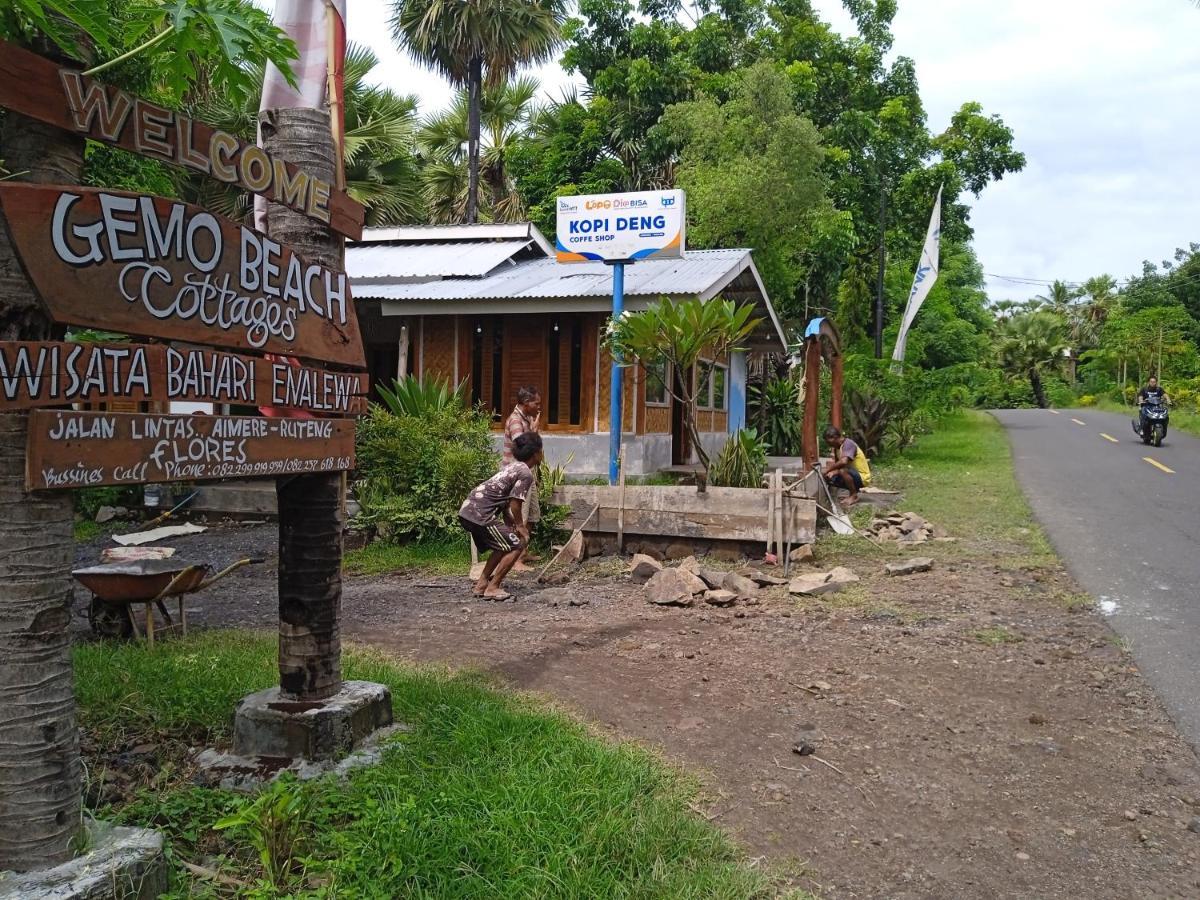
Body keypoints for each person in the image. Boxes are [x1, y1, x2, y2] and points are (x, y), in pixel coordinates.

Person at [459, 431, 544, 601]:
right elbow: (515, 502)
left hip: (468, 510)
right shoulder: (525, 473)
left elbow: (503, 500)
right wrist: (520, 526)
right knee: (517, 545)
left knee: (503, 545)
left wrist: (510, 521)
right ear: (536, 454)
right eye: (541, 450)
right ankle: (493, 587)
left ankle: (482, 585)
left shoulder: (512, 466)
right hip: (480, 513)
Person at [504, 385, 542, 566]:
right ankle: (516, 560)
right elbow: (523, 447)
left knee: (533, 514)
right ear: (526, 403)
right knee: (520, 516)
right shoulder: (515, 421)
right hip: (517, 475)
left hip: (528, 473)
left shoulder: (525, 418)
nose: (538, 406)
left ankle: (523, 552)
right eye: (536, 403)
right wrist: (534, 432)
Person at [822, 425, 871, 508]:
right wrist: (832, 472)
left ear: (835, 437)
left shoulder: (848, 444)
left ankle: (853, 495)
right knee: (830, 478)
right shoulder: (837, 448)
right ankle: (852, 492)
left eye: (829, 441)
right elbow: (838, 465)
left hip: (863, 477)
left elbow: (843, 462)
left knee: (842, 471)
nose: (828, 444)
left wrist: (827, 470)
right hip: (852, 474)